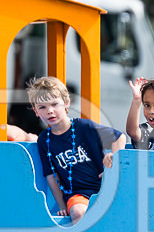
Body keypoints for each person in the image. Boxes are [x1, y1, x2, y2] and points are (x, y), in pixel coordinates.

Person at [28, 75, 127, 220]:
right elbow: (51, 176)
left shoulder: (84, 126)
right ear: (36, 111)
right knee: (78, 212)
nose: (49, 111)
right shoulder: (44, 140)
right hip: (77, 194)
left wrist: (113, 160)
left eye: (55, 104)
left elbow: (119, 137)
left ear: (67, 103)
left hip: (104, 188)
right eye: (42, 107)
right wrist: (62, 206)